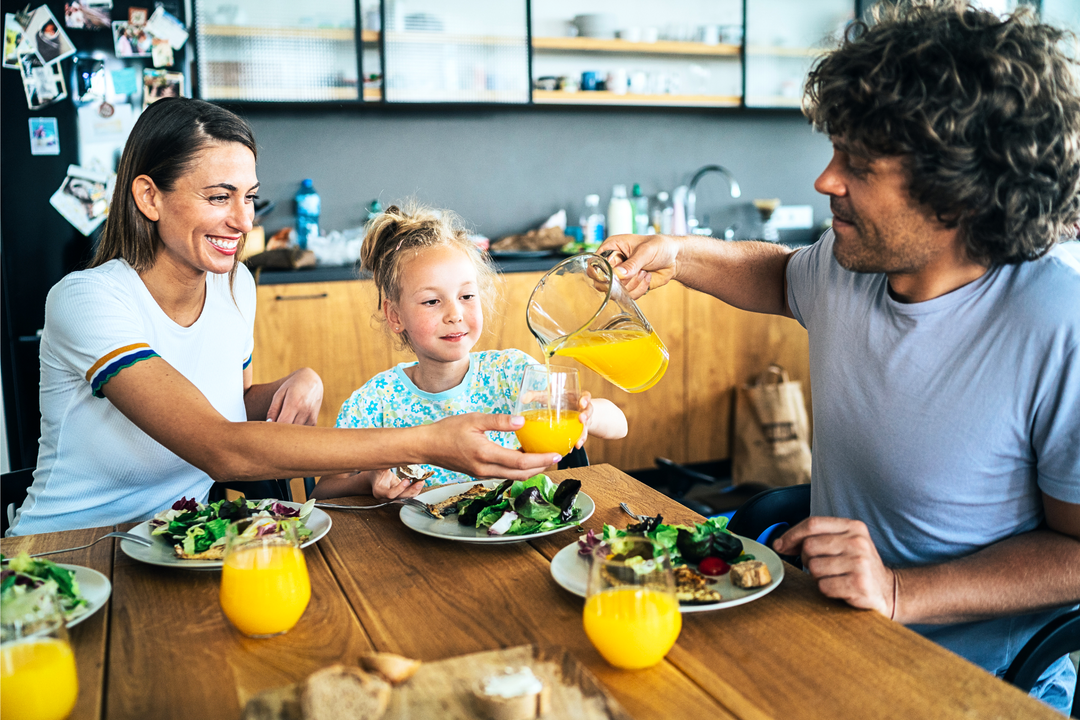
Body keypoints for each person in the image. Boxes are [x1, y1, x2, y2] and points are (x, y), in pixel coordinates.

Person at [598, 1, 1080, 712]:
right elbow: (782, 275)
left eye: (857, 164)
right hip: (829, 633)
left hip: (975, 684)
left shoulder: (1056, 324)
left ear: (958, 189)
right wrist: (678, 253)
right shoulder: (847, 268)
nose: (825, 180)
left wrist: (898, 591)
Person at [9, 99, 558, 537]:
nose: (242, 220)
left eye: (249, 197)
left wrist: (294, 383)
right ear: (150, 197)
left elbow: (230, 407)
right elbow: (219, 445)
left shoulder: (235, 286)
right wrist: (427, 441)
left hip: (175, 538)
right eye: (219, 196)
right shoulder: (87, 301)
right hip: (67, 548)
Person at [312, 204, 628, 500]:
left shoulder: (512, 373)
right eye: (432, 301)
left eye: (466, 296)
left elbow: (619, 424)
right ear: (395, 316)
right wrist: (368, 481)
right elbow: (322, 491)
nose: (455, 314)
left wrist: (589, 414)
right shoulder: (375, 402)